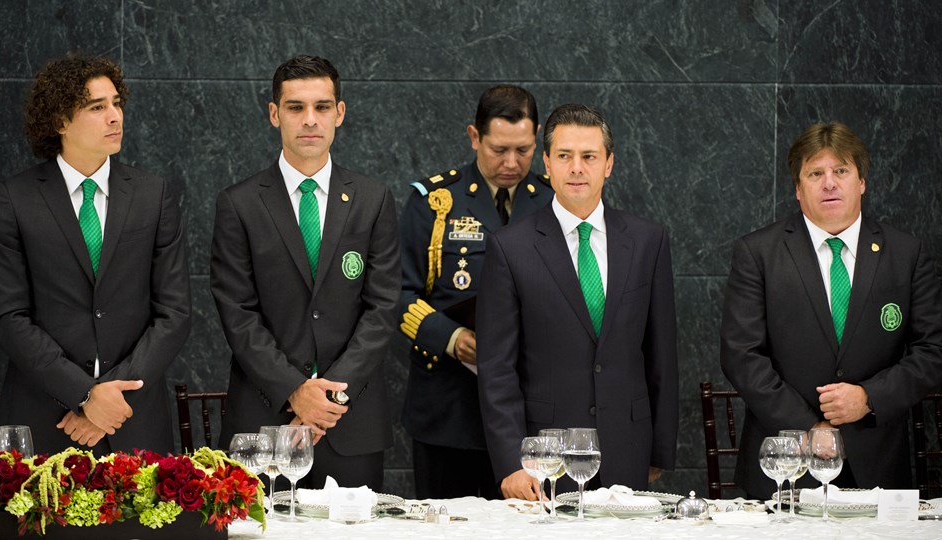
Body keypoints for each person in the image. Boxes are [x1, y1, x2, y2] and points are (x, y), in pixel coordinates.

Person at [720, 122, 942, 499]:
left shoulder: (906, 254)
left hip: (878, 464)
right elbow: (741, 355)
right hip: (786, 466)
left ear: (862, 182)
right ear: (797, 188)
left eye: (841, 171)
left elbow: (933, 350)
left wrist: (869, 398)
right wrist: (809, 426)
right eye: (815, 173)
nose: (829, 183)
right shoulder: (759, 253)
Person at [0, 55, 190, 454]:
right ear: (60, 121)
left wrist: (113, 400)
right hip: (45, 420)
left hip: (135, 421)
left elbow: (175, 313)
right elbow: (8, 316)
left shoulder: (153, 195)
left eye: (116, 103)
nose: (115, 116)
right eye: (97, 107)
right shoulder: (12, 200)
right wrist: (84, 395)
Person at [211, 55, 400, 490]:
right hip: (263, 422)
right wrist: (295, 389)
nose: (310, 120)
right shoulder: (239, 204)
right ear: (275, 114)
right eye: (296, 107)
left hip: (348, 422)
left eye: (321, 106)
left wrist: (327, 398)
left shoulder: (373, 200)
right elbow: (237, 314)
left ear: (340, 113)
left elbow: (382, 308)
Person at [477, 104, 679, 500]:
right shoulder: (510, 247)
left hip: (628, 446)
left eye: (589, 157)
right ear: (547, 164)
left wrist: (659, 448)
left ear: (609, 164)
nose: (577, 168)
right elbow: (496, 369)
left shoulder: (647, 241)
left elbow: (662, 354)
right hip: (545, 458)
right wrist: (510, 463)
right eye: (565, 156)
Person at [399, 85, 553, 498]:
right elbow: (397, 294)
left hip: (530, 409)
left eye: (523, 150)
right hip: (450, 407)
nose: (511, 162)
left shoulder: (553, 204)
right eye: (499, 149)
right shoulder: (434, 202)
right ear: (474, 137)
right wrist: (451, 339)